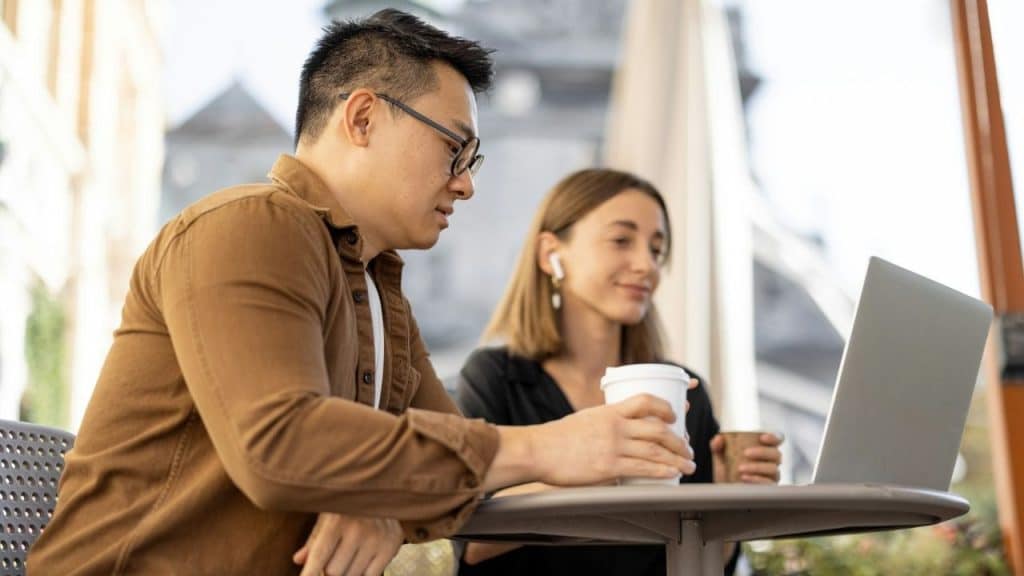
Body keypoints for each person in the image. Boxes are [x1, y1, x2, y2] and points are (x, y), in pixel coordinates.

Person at [26, 12, 696, 576]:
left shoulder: (377, 285)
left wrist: (381, 504)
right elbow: (280, 446)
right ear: (365, 117)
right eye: (455, 151)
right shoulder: (249, 227)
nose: (466, 184)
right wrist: (545, 447)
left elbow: (449, 455)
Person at [453, 168, 785, 575]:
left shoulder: (685, 391)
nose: (646, 265)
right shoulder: (495, 378)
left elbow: (704, 564)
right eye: (621, 240)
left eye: (657, 249)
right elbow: (471, 544)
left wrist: (731, 505)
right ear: (550, 254)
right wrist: (605, 470)